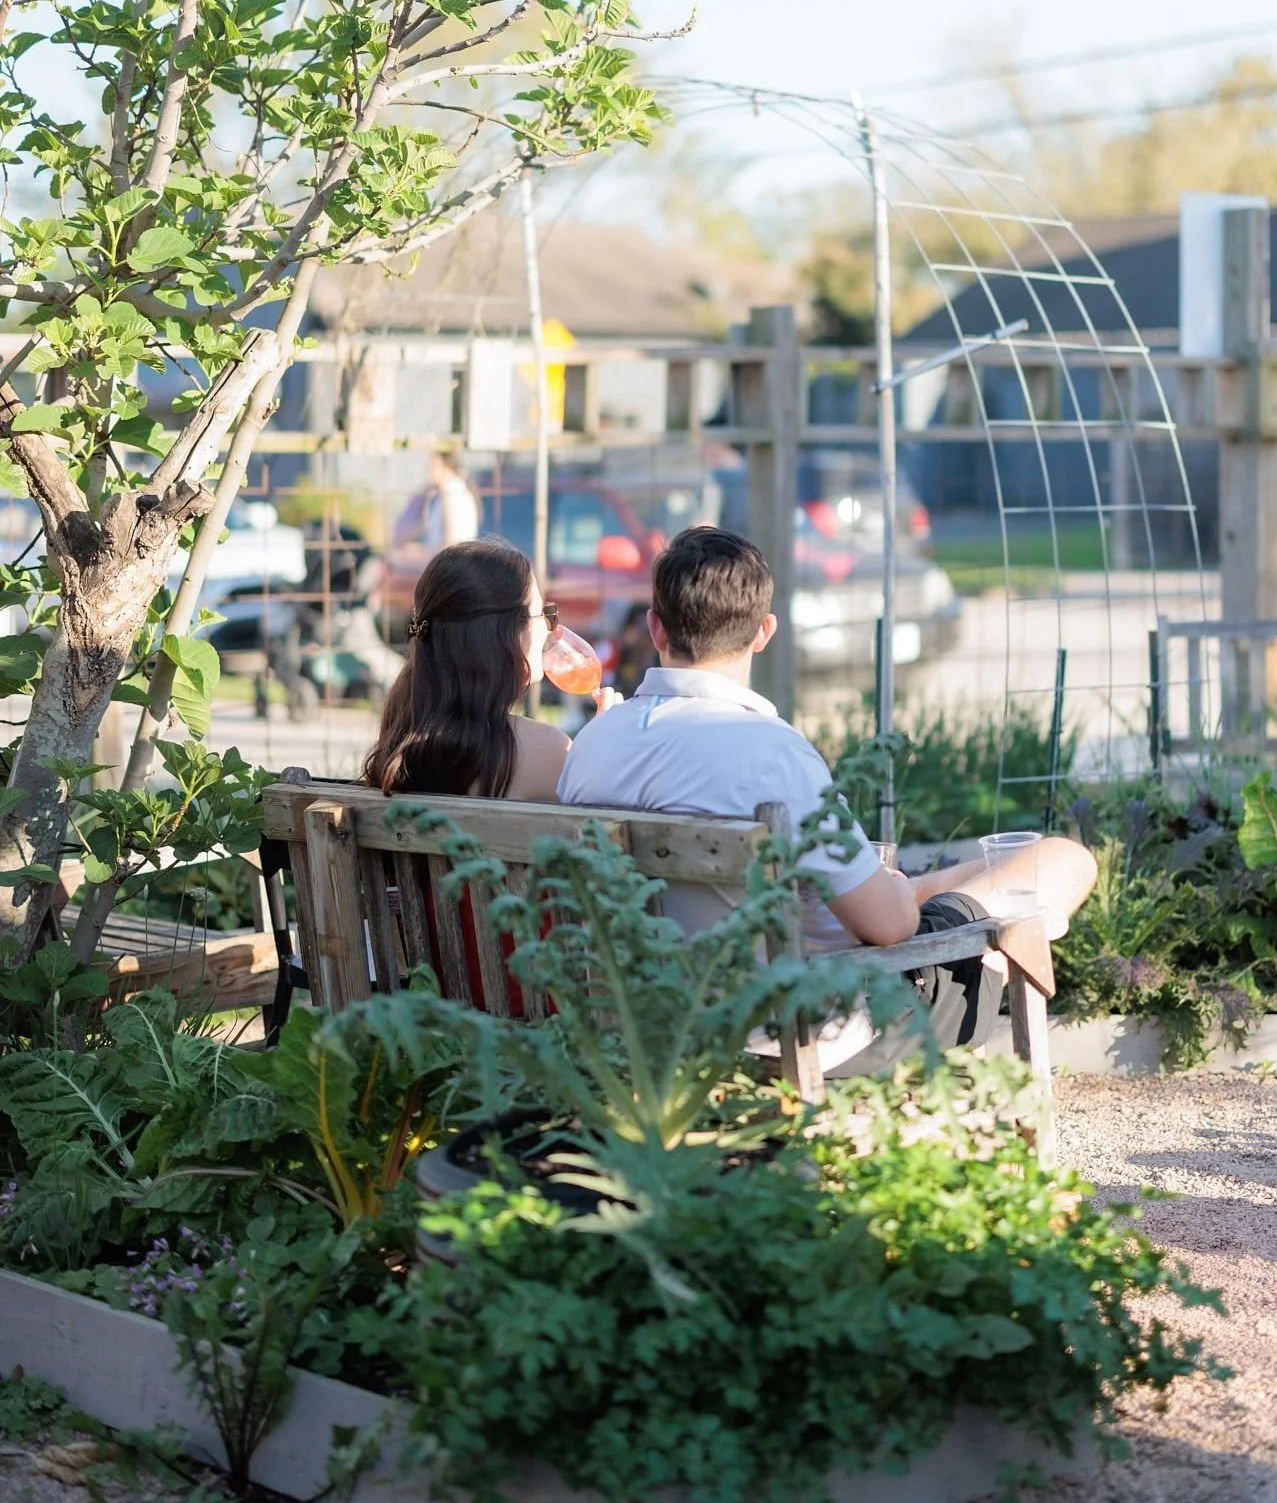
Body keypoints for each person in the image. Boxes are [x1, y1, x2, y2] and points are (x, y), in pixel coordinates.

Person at [558, 525, 1097, 1074]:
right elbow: (889, 930)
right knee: (1063, 862)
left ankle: (925, 885)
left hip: (638, 1021)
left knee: (939, 884)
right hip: (795, 1031)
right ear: (764, 631)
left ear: (654, 626)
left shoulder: (593, 742)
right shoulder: (772, 752)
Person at [363, 540, 579, 803]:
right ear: (505, 633)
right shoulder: (548, 751)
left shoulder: (399, 743)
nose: (549, 629)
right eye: (541, 614)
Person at [392, 451, 482, 553]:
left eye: (433, 465)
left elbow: (451, 545)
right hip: (448, 557)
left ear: (445, 466)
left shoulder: (453, 494)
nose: (428, 470)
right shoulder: (443, 493)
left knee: (393, 559)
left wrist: (419, 551)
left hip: (452, 559)